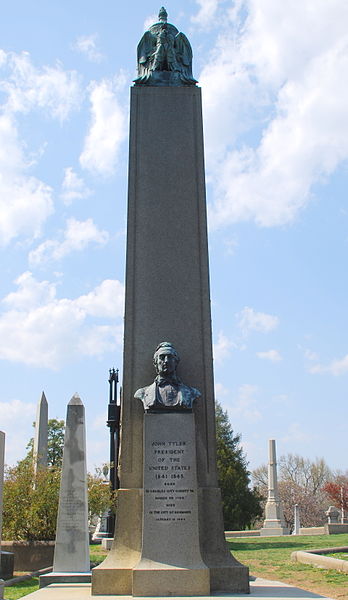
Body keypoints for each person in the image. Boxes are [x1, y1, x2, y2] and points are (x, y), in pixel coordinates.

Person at [134, 342, 201, 411]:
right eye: (162, 357)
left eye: (170, 357)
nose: (166, 361)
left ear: (176, 362)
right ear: (155, 363)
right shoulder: (142, 393)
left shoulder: (192, 393)